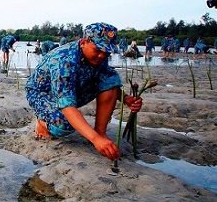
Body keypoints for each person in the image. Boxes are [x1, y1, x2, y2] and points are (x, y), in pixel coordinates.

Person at [25, 22, 143, 161]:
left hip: (73, 88)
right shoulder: (64, 60)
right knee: (63, 125)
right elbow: (67, 105)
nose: (101, 55)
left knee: (111, 77)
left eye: (106, 52)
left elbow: (106, 82)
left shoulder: (99, 57)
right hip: (42, 92)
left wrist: (125, 98)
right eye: (98, 50)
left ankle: (101, 133)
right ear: (83, 43)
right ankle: (42, 123)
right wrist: (94, 139)